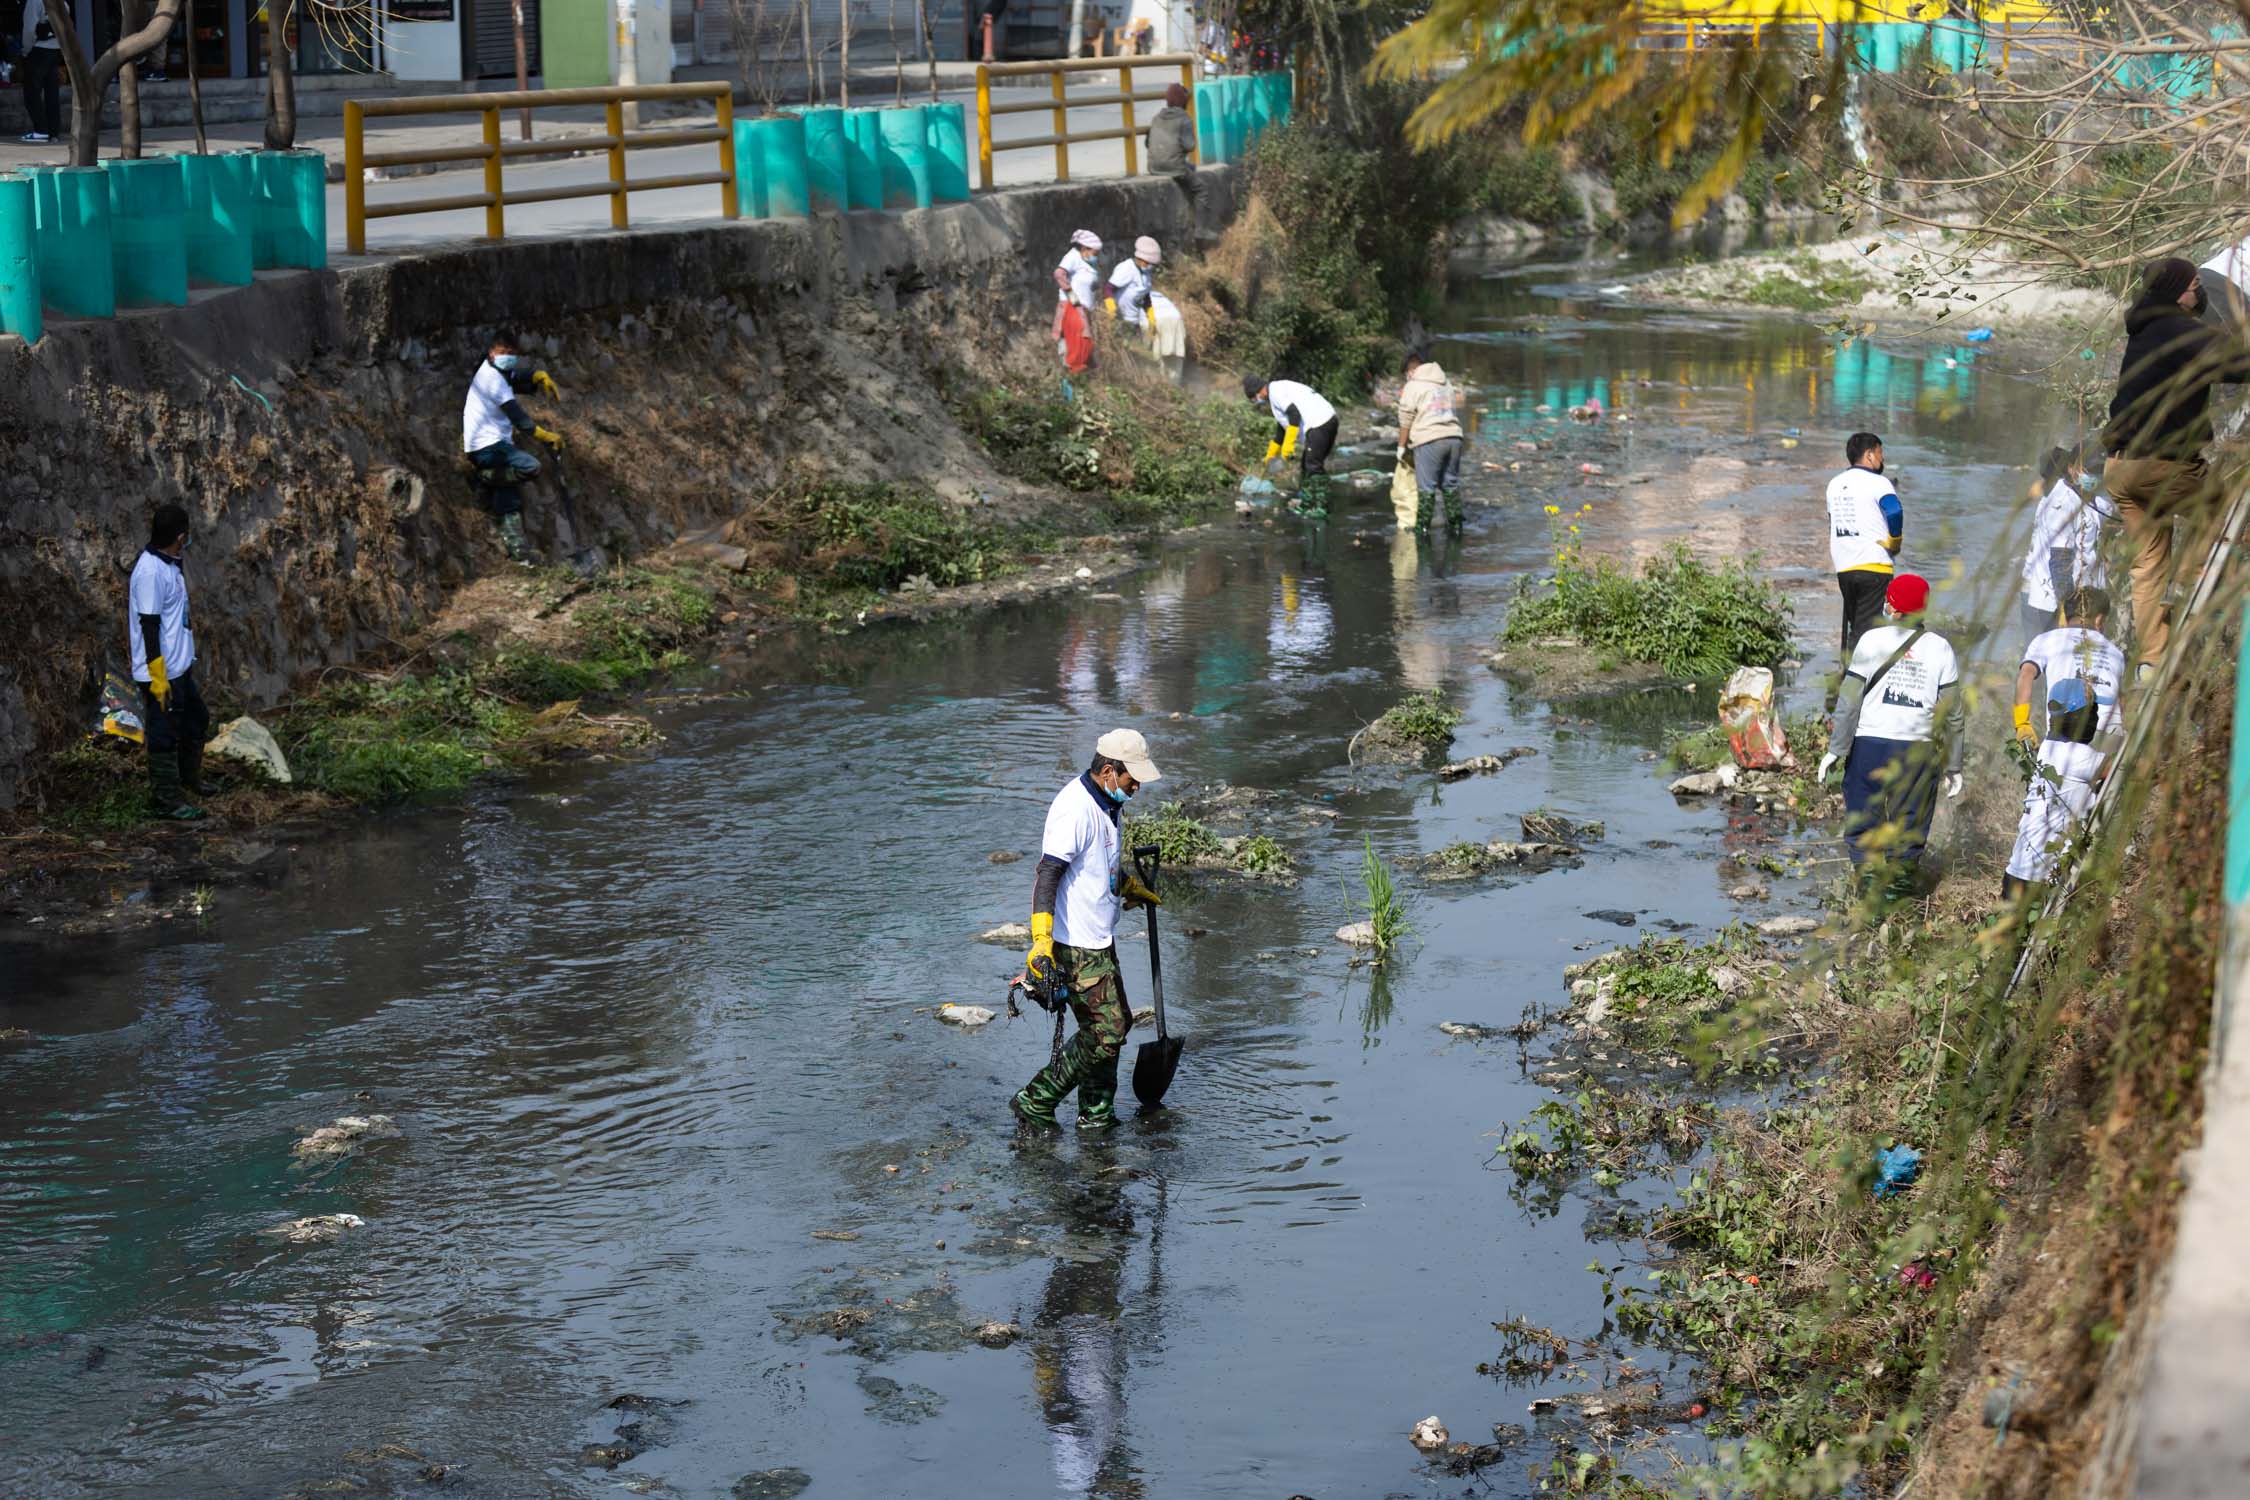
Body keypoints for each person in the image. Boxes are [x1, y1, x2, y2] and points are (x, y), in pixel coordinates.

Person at [2101, 256, 2250, 680]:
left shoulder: (2146, 329)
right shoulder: (2179, 329)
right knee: (2223, 507)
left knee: (2146, 566)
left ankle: (2152, 659)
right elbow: (2238, 365)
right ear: (2175, 291)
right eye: (2193, 286)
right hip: (2161, 465)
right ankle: (2191, 577)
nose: (2198, 293)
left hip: (2121, 470)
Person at [1013, 730, 1165, 1130]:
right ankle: (1036, 1098)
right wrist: (1041, 942)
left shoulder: (1109, 803)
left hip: (1099, 937)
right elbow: (1048, 874)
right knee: (1107, 1031)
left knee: (1115, 1024)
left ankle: (1096, 1114)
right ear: (1110, 771)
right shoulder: (1074, 809)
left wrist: (1127, 886)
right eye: (1133, 779)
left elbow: (1100, 861)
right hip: (1074, 943)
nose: (1137, 787)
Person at [1817, 573, 1964, 899]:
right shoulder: (1941, 648)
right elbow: (1953, 716)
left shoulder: (1870, 641)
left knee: (1863, 826)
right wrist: (1954, 766)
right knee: (1908, 829)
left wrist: (1836, 749)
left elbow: (1850, 700)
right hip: (1917, 753)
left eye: (1890, 601)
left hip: (1870, 747)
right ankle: (1894, 904)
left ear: (1894, 609)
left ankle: (1870, 902)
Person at [130, 504, 211, 821]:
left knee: (196, 720)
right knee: (163, 734)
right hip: (161, 671)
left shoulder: (170, 563)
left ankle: (189, 781)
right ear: (180, 536)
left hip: (180, 667)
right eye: (186, 535)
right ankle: (166, 800)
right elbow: (149, 627)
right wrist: (157, 675)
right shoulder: (150, 572)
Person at [2002, 678, 2108, 905]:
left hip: (2015, 874)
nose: (2095, 719)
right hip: (2043, 881)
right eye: (2091, 712)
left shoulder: (2047, 749)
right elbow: (2127, 769)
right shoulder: (2080, 757)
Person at [461, 333, 561, 562]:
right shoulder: (492, 380)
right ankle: (486, 478)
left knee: (507, 490)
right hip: (487, 447)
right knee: (531, 467)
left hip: (494, 444)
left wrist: (537, 377)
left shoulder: (495, 370)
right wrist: (546, 436)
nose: (507, 358)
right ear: (492, 352)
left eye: (511, 354)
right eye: (503, 353)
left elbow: (515, 378)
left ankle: (518, 550)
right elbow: (520, 420)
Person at [1824, 431, 1902, 708]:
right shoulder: (1878, 482)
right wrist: (1895, 540)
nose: (1882, 459)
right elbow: (1893, 512)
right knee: (1868, 630)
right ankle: (1851, 691)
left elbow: (1832, 521)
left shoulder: (1834, 484)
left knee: (1854, 624)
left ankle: (1846, 681)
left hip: (1845, 566)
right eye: (1880, 453)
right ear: (1869, 455)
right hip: (1874, 565)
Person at [2018, 445, 2113, 643]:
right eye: (2089, 470)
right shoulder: (2061, 504)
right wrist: (2067, 611)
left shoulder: (2097, 501)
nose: (2094, 476)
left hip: (2084, 596)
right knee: (2044, 660)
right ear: (2072, 469)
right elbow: (2060, 563)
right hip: (2049, 599)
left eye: (2099, 471)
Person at [2015, 586, 2125, 747]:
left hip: (2066, 738)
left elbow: (2026, 675)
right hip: (2111, 738)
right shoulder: (2116, 653)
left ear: (2065, 617)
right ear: (2099, 620)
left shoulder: (2046, 639)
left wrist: (2022, 723)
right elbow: (2121, 701)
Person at [1244, 374, 1340, 519]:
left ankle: (1321, 506)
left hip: (1320, 422)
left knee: (1312, 465)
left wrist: (1288, 447)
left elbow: (1294, 415)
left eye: (1255, 398)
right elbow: (1282, 429)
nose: (1257, 401)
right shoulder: (1277, 392)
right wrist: (1271, 454)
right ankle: (1309, 503)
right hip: (1326, 420)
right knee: (1306, 465)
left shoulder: (1276, 392)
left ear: (1259, 390)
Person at [1397, 345, 1466, 534]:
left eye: (1406, 374)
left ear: (1411, 370)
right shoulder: (1444, 382)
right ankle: (1456, 526)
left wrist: (1401, 446)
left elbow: (1406, 417)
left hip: (1430, 440)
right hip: (1454, 437)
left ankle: (1422, 530)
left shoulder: (1413, 385)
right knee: (1450, 484)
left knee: (1426, 487)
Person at [1104, 236, 1186, 382]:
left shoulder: (1145, 273)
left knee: (1139, 353)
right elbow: (1108, 289)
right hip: (1121, 320)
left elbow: (1146, 296)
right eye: (1149, 264)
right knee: (1129, 351)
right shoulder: (1126, 268)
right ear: (1141, 259)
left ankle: (1141, 380)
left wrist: (1151, 316)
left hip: (1134, 321)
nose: (1151, 267)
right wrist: (1111, 309)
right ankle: (1124, 380)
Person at [1144, 83, 1200, 214]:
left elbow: (1147, 143)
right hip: (1175, 168)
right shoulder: (1184, 119)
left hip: (1153, 168)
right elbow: (1190, 146)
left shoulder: (1156, 118)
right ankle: (1202, 230)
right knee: (1201, 189)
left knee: (1189, 168)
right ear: (1183, 101)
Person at [1053, 230, 1101, 380]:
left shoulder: (1087, 262)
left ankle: (1078, 377)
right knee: (1077, 341)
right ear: (1084, 248)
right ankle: (1070, 376)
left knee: (1083, 343)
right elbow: (1059, 274)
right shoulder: (1073, 256)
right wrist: (1073, 297)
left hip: (1082, 308)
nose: (1096, 256)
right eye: (1094, 252)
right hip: (1072, 306)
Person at [20, 0, 61, 144]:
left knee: (31, 92)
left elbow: (29, 30)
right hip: (56, 48)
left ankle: (41, 131)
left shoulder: (34, 2)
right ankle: (53, 132)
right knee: (52, 92)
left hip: (38, 48)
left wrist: (26, 50)